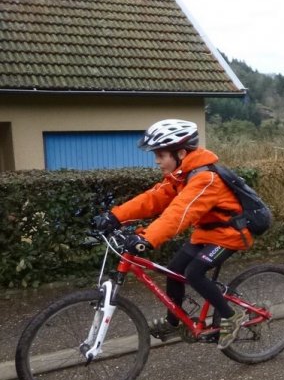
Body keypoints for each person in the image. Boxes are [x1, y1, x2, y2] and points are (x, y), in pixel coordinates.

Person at [92, 119, 252, 349]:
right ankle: (174, 322)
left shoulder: (205, 179)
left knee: (194, 273)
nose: (157, 161)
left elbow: (179, 213)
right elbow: (152, 199)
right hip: (206, 234)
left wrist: (147, 238)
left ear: (181, 153)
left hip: (230, 234)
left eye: (160, 155)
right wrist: (114, 216)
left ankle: (232, 316)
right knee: (174, 270)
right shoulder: (181, 176)